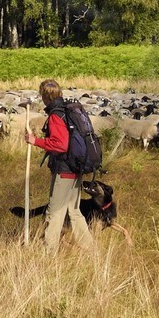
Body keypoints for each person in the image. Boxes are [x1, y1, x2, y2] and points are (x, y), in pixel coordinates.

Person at [23, 78, 94, 255]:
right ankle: (90, 249)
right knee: (74, 211)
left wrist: (35, 141)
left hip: (65, 171)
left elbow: (60, 144)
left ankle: (48, 252)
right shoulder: (67, 110)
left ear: (45, 96)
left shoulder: (56, 115)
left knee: (54, 212)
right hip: (76, 169)